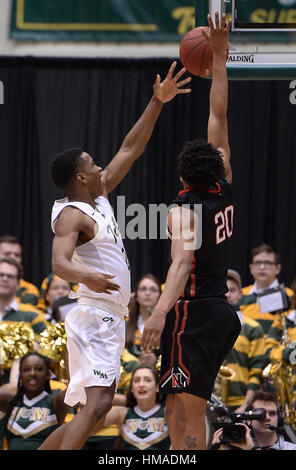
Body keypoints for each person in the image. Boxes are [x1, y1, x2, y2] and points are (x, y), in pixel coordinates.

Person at [38, 62, 191, 451]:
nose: (98, 164)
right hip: (94, 313)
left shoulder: (100, 192)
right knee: (99, 406)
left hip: (105, 315)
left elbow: (131, 148)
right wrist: (88, 277)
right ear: (80, 178)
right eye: (90, 162)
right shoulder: (73, 213)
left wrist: (157, 103)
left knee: (97, 410)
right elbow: (59, 262)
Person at [142, 12, 241, 450]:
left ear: (183, 176)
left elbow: (181, 264)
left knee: (184, 419)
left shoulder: (183, 209)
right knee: (178, 410)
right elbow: (217, 112)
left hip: (192, 314)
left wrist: (160, 313)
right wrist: (218, 56)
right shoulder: (224, 186)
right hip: (220, 313)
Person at [0, 352, 70, 450]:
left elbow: (74, 389)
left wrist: (67, 349)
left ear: (48, 374)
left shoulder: (55, 402)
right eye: (26, 369)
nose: (32, 373)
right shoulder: (8, 400)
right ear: (20, 374)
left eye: (39, 369)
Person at [94, 366, 170, 450]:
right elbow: (91, 420)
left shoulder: (168, 412)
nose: (141, 385)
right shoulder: (121, 413)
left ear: (157, 387)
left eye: (147, 380)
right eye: (137, 381)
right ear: (131, 388)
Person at [223, 269, 266, 412]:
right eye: (223, 289)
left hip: (241, 403)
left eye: (232, 290)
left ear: (240, 294)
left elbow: (257, 370)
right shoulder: (206, 328)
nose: (227, 294)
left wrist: (244, 406)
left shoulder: (253, 328)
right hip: (209, 403)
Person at [0, 257, 47, 384]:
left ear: (18, 284)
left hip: (20, 386)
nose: (4, 278)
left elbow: (50, 352)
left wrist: (33, 348)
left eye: (10, 276)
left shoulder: (32, 315)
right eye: (1, 275)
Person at [240, 244, 294, 335]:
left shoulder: (290, 295)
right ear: (251, 268)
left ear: (278, 268)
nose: (262, 267)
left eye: (267, 263)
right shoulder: (240, 295)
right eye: (257, 263)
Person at [126, 274, 162, 361]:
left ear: (160, 296)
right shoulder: (125, 322)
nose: (147, 293)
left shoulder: (168, 324)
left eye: (153, 290)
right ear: (136, 296)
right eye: (143, 289)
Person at [0, 236, 39, 307]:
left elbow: (22, 315)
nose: (12, 257)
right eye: (7, 254)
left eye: (17, 255)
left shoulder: (29, 290)